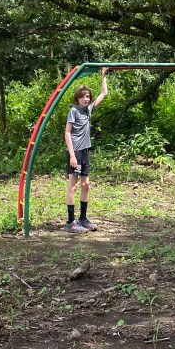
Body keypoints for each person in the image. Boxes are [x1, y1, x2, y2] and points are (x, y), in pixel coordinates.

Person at [65, 68, 108, 233]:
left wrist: (103, 75)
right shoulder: (74, 111)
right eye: (83, 96)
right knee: (73, 186)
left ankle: (83, 218)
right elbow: (67, 133)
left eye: (88, 96)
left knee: (86, 184)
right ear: (77, 98)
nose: (86, 99)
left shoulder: (88, 110)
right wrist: (72, 155)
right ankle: (70, 222)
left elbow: (104, 93)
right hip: (75, 151)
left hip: (84, 151)